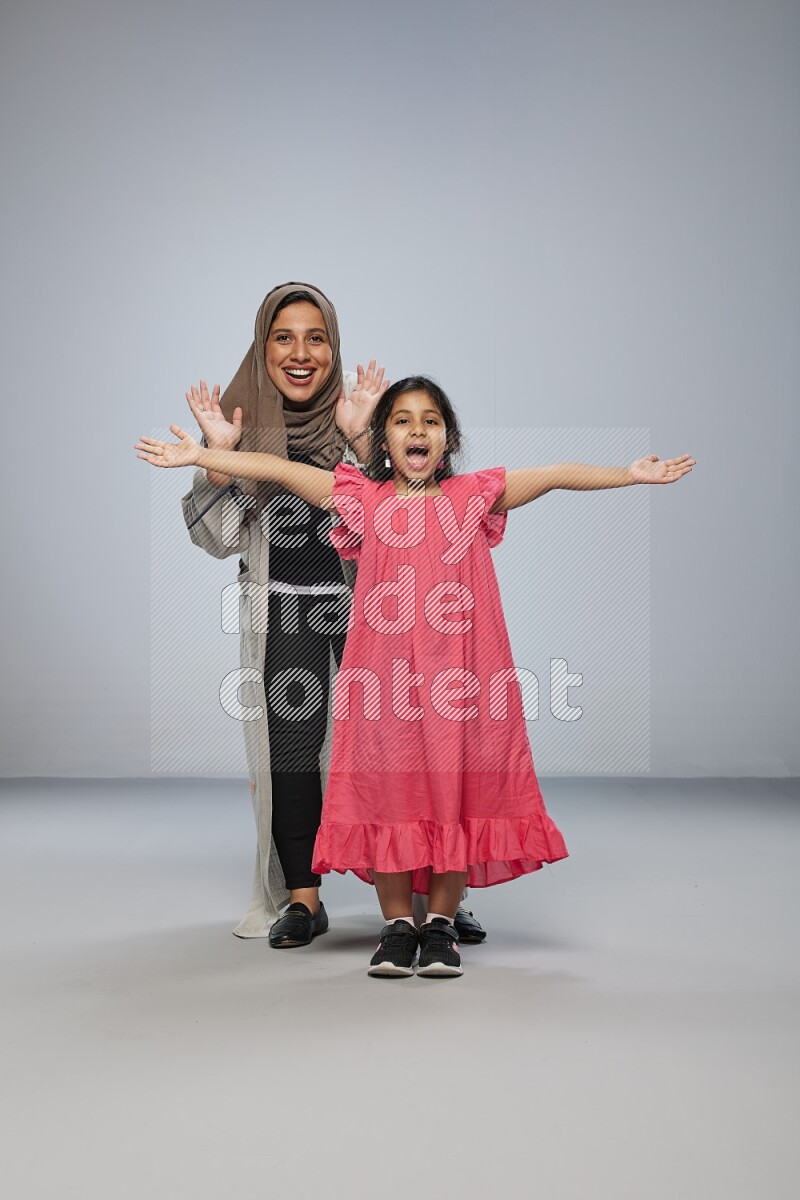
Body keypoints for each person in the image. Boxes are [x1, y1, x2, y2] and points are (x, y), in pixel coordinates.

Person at [137, 372, 694, 978]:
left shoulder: (473, 495)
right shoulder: (363, 499)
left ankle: (441, 925)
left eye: (430, 421)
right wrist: (202, 456)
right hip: (384, 692)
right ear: (383, 441)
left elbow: (556, 473)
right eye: (402, 421)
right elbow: (278, 470)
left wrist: (628, 474)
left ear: (447, 439)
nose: (417, 430)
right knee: (389, 798)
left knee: (453, 795)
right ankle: (399, 926)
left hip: (461, 687)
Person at [176, 283, 487, 948]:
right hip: (285, 611)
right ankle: (302, 899)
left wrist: (360, 440)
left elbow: (413, 511)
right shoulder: (241, 430)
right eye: (284, 338)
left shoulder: (365, 422)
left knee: (411, 749)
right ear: (263, 348)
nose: (300, 353)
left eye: (315, 338)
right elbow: (217, 538)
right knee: (290, 752)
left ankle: (439, 895)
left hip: (378, 613)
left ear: (333, 348)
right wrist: (219, 462)